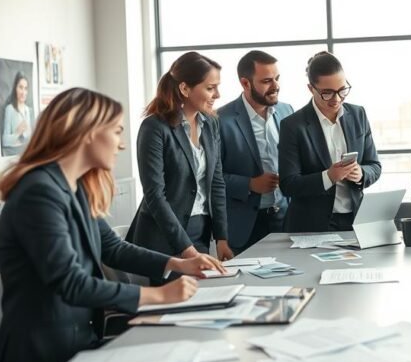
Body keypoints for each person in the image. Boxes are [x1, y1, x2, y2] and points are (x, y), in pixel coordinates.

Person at [0, 88, 223, 362]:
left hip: (80, 341)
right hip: (44, 356)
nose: (121, 144)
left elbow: (112, 248)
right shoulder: (38, 194)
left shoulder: (73, 187)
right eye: (116, 132)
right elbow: (71, 283)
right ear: (87, 132)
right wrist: (158, 296)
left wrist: (179, 263)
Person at [126, 52, 235, 263]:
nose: (218, 95)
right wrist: (187, 249)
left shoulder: (211, 124)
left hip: (201, 234)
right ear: (184, 89)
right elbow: (155, 195)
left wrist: (222, 238)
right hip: (164, 239)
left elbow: (216, 183)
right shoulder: (154, 128)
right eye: (210, 88)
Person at [279, 51, 381, 232]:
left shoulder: (358, 115)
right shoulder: (293, 125)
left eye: (342, 90)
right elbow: (288, 184)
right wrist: (329, 177)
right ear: (311, 89)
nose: (337, 99)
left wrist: (361, 174)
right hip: (311, 224)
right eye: (327, 93)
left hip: (355, 220)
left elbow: (374, 165)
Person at [217, 50, 294, 253]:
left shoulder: (287, 111)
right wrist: (250, 184)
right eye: (267, 81)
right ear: (245, 83)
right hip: (245, 226)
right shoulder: (220, 120)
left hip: (287, 219)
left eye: (277, 79)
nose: (276, 86)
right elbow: (211, 178)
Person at [1, 71, 35, 156]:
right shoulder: (10, 109)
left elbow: (30, 139)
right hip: (14, 155)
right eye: (20, 87)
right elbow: (4, 141)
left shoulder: (28, 110)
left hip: (27, 154)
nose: (23, 92)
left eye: (25, 88)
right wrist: (17, 132)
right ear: (15, 88)